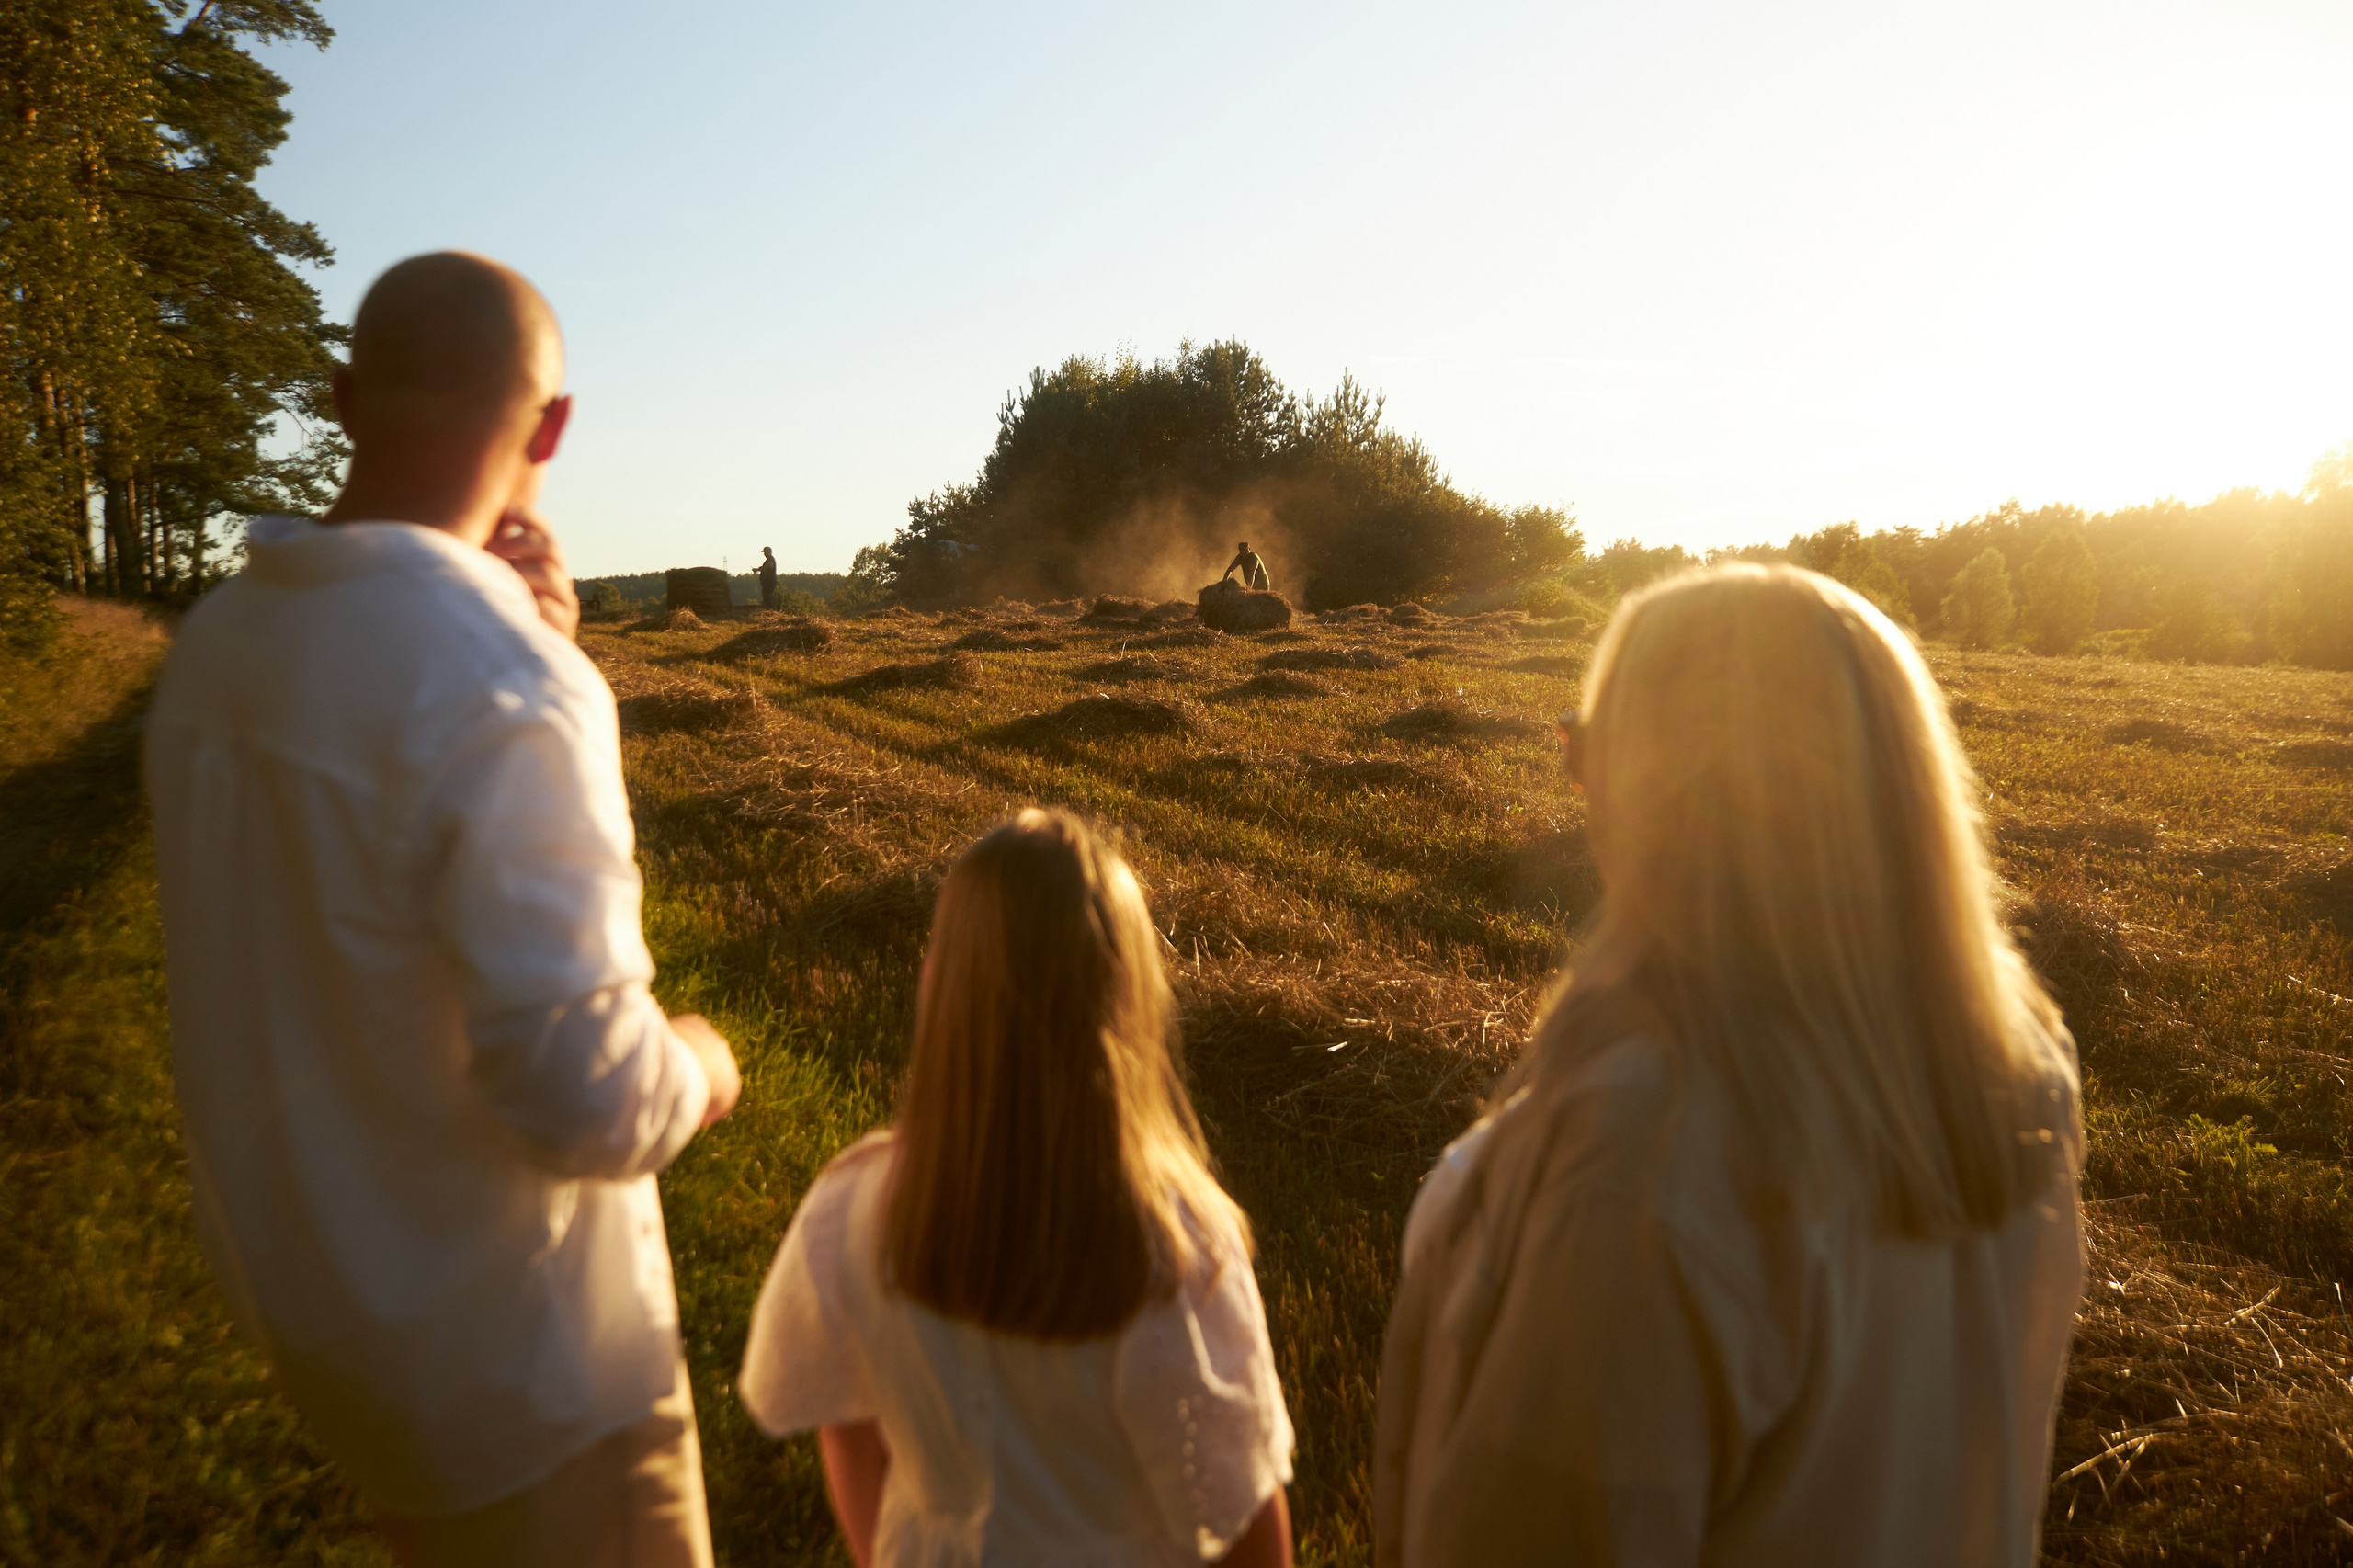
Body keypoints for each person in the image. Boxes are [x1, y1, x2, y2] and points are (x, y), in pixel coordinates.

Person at [144, 251, 742, 1568]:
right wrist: (702, 1062)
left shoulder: (217, 651)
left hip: (334, 1329)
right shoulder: (505, 686)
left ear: (345, 401)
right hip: (529, 1379)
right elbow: (588, 1094)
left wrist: (529, 644)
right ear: (555, 428)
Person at [1373, 565, 2085, 1567]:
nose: (1575, 789)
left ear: (1669, 792)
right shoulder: (2017, 1077)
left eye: (1585, 752)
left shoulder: (1645, 1161)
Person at [738, 810, 1295, 1568]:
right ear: (1130, 1004)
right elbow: (1242, 1516)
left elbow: (840, 1414)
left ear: (941, 985)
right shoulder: (1169, 1246)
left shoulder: (853, 1206)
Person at [759, 545, 779, 609]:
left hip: (769, 581)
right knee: (766, 596)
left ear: (769, 552)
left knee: (768, 596)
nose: (764, 554)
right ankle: (768, 609)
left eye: (765, 552)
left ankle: (770, 609)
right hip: (767, 581)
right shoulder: (768, 559)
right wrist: (757, 569)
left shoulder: (770, 558)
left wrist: (762, 568)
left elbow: (770, 566)